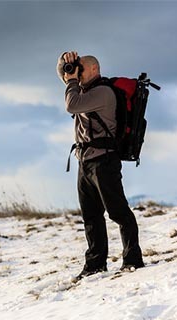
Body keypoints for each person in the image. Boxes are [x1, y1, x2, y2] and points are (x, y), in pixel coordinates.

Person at [56, 51, 144, 280]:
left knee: (118, 212)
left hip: (104, 160)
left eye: (80, 68)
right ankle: (95, 265)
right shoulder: (82, 89)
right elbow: (67, 82)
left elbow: (71, 104)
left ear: (94, 69)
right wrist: (64, 62)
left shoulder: (103, 93)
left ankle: (132, 259)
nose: (77, 72)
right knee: (91, 216)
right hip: (85, 161)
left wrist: (71, 80)